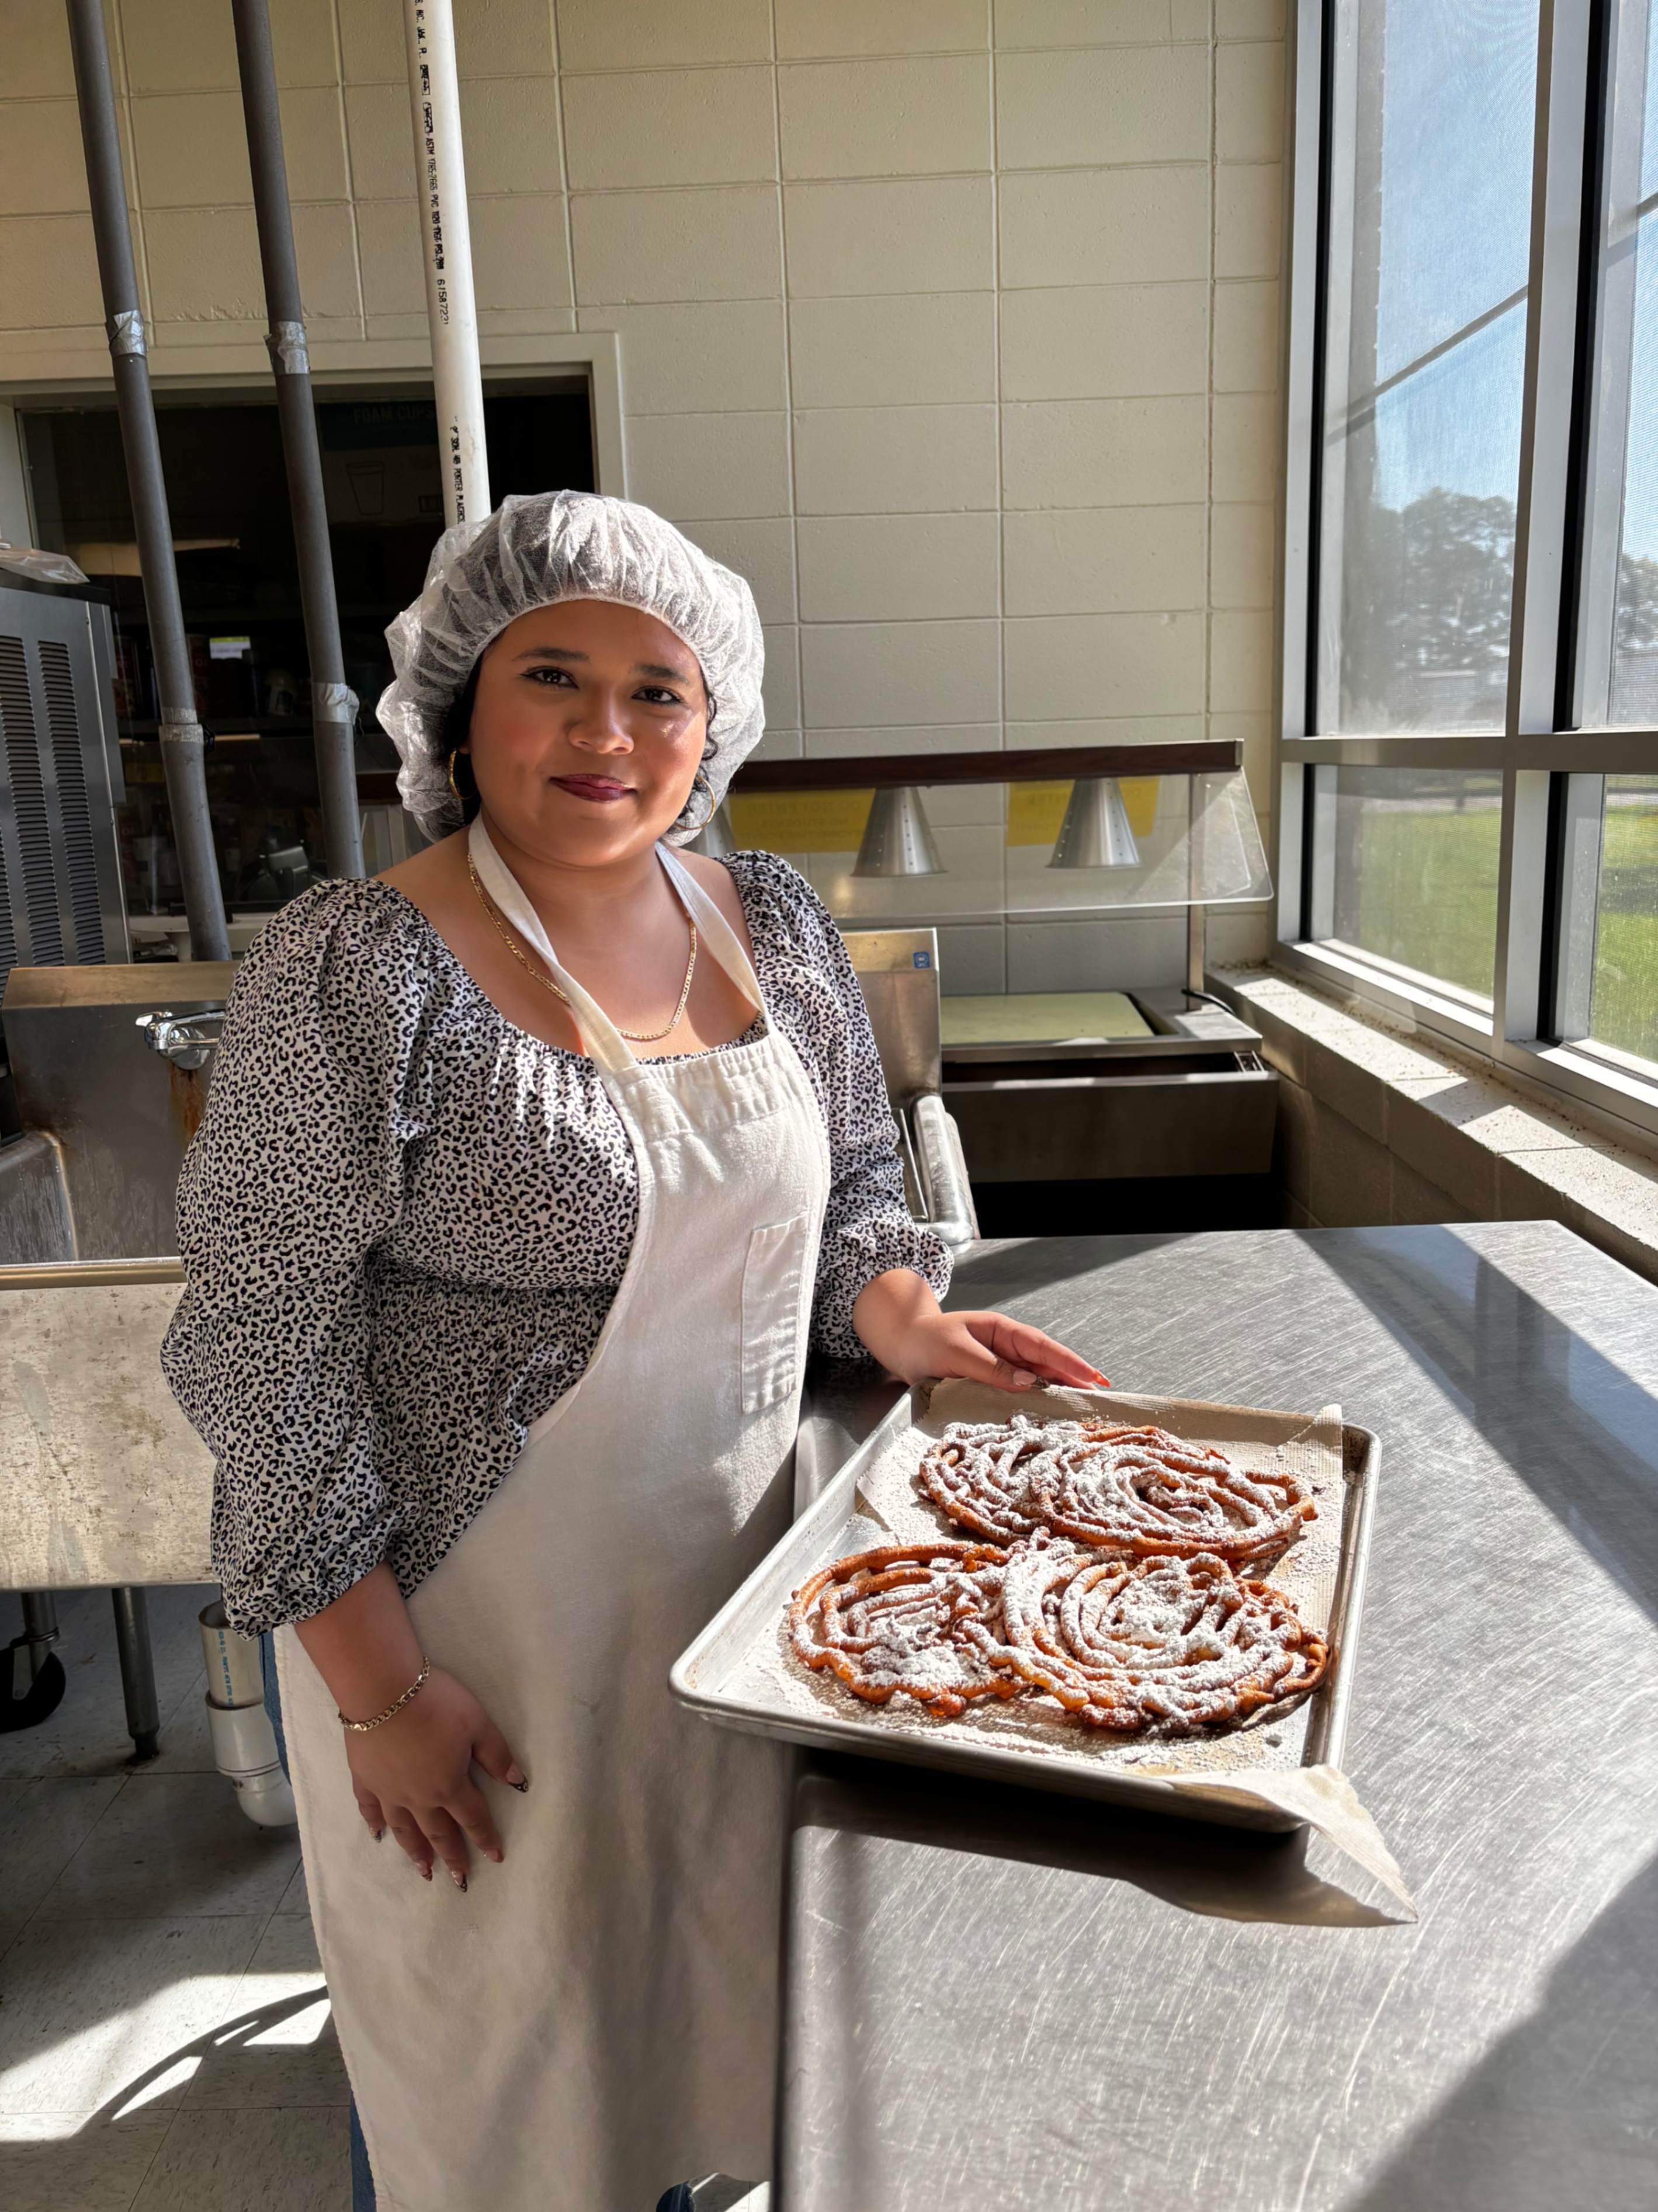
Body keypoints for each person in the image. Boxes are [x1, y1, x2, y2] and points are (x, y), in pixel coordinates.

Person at [162, 490, 1103, 2211]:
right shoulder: (361, 970)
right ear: (463, 706)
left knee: (695, 2037)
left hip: (727, 1615)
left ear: (712, 724)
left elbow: (852, 1193)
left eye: (657, 690)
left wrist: (903, 1315)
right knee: (501, 2094)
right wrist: (381, 1691)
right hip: (468, 1649)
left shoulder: (771, 923)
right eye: (554, 677)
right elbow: (259, 1346)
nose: (608, 731)